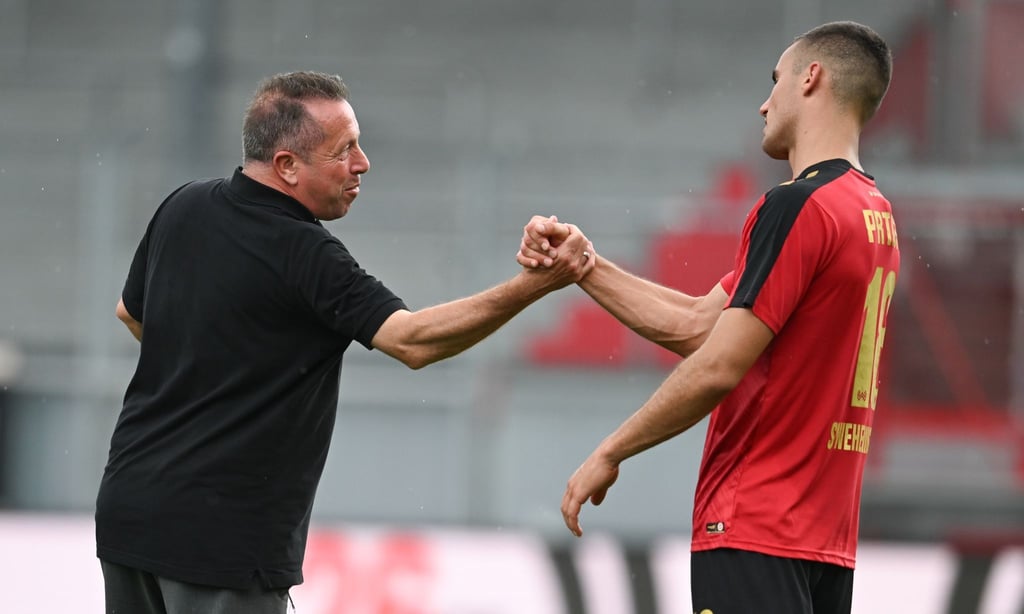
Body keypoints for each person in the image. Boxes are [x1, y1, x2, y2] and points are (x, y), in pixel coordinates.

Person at [96, 70, 594, 614]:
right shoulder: (306, 252)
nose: (362, 164)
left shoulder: (182, 206)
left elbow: (131, 312)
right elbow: (414, 341)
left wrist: (213, 367)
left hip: (130, 512)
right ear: (287, 165)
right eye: (345, 150)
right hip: (222, 539)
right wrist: (536, 284)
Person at [519, 21, 896, 614]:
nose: (764, 102)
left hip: (754, 527)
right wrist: (584, 265)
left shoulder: (797, 205)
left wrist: (611, 449)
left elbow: (719, 363)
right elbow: (698, 323)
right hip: (823, 543)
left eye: (776, 82)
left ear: (812, 78)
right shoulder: (870, 211)